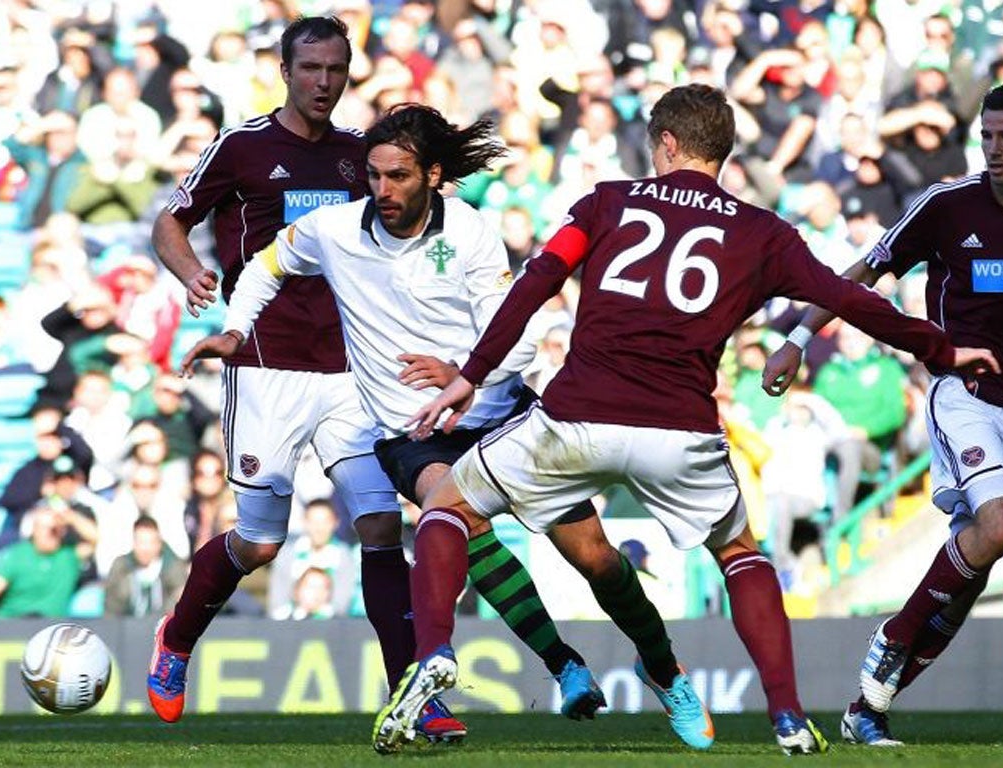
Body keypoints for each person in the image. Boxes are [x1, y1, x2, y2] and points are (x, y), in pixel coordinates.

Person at [381, 83, 1000, 756]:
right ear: (724, 153)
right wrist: (940, 348)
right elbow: (849, 298)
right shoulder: (765, 233)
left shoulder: (606, 202)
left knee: (447, 510)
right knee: (740, 555)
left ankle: (437, 648)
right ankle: (788, 716)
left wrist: (471, 375)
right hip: (681, 433)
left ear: (667, 144)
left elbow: (538, 281)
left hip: (576, 415)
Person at [181, 104, 687, 735]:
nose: (382, 190)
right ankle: (550, 666)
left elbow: (521, 336)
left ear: (433, 176)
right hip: (411, 435)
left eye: (397, 177)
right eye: (373, 176)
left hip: (500, 416)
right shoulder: (333, 230)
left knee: (595, 559)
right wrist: (235, 330)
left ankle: (663, 669)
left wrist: (464, 373)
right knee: (453, 517)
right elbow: (265, 268)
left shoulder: (471, 233)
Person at [150, 17, 582, 742]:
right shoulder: (244, 147)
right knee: (260, 544)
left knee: (381, 527)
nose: (324, 82)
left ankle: (415, 696)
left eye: (336, 69)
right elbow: (172, 220)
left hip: (353, 378)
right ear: (284, 70)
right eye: (310, 68)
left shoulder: (366, 158)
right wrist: (193, 271)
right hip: (265, 370)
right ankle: (179, 639)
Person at [762, 80, 1003, 747]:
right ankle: (895, 634)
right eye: (986, 135)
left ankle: (866, 708)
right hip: (965, 397)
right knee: (1002, 525)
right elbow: (859, 276)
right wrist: (796, 337)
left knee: (974, 568)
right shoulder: (946, 205)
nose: (994, 150)